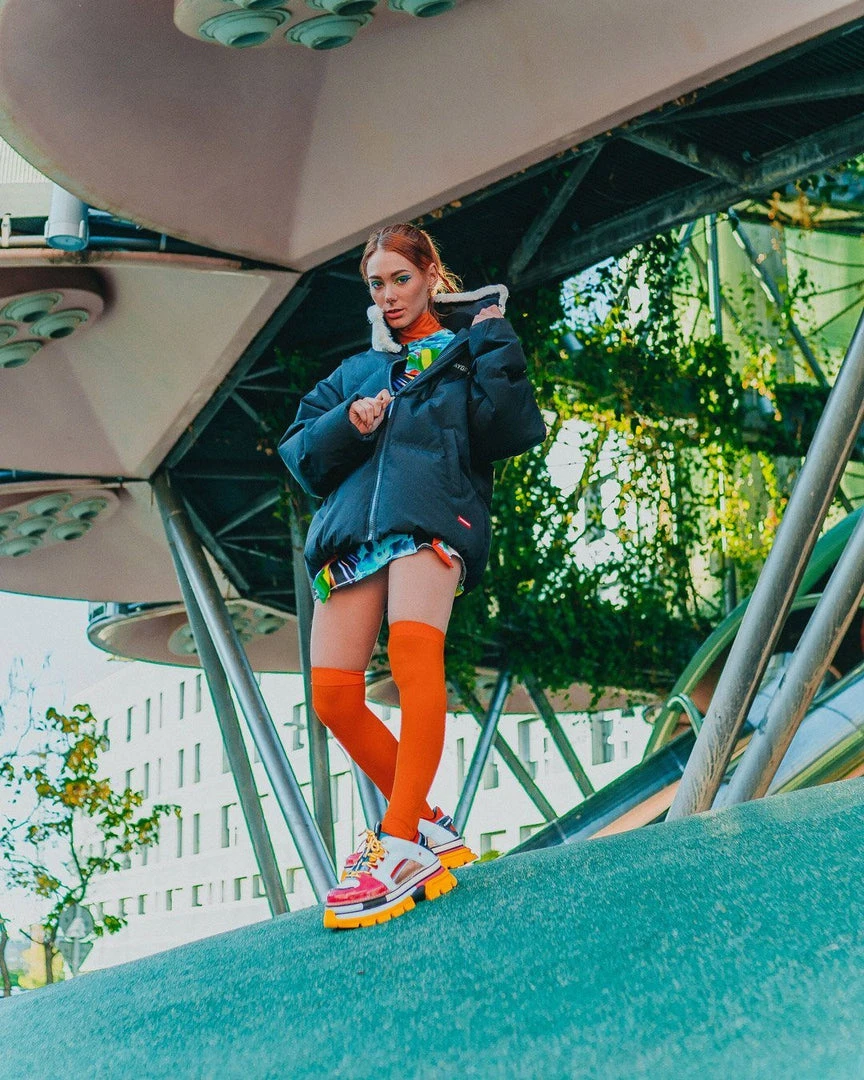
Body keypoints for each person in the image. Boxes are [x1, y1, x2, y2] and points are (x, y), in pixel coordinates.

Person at [279, 222, 546, 929]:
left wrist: (493, 336)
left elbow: (514, 427)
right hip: (353, 537)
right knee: (333, 695)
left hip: (430, 518)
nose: (389, 296)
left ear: (430, 275)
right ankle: (429, 823)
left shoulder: (466, 356)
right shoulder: (355, 373)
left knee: (412, 658)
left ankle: (399, 843)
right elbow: (301, 455)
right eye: (377, 284)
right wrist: (349, 422)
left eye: (401, 279)